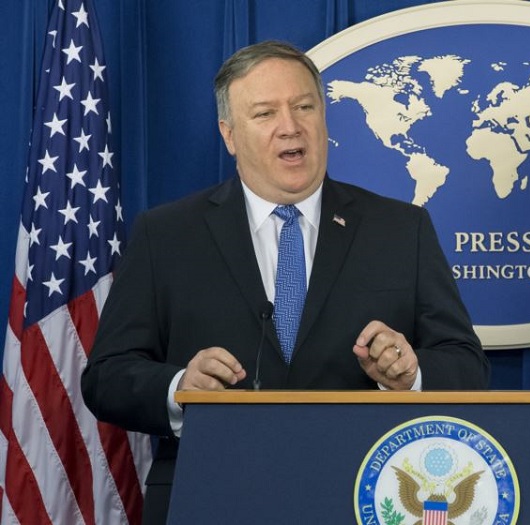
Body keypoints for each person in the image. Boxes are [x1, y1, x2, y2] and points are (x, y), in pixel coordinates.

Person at [81, 40, 489, 524]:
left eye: (304, 107)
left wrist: (411, 374)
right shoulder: (166, 235)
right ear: (229, 135)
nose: (290, 126)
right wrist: (179, 388)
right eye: (265, 113)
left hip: (359, 495)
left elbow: (466, 363)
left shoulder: (401, 229)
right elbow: (105, 377)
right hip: (211, 495)